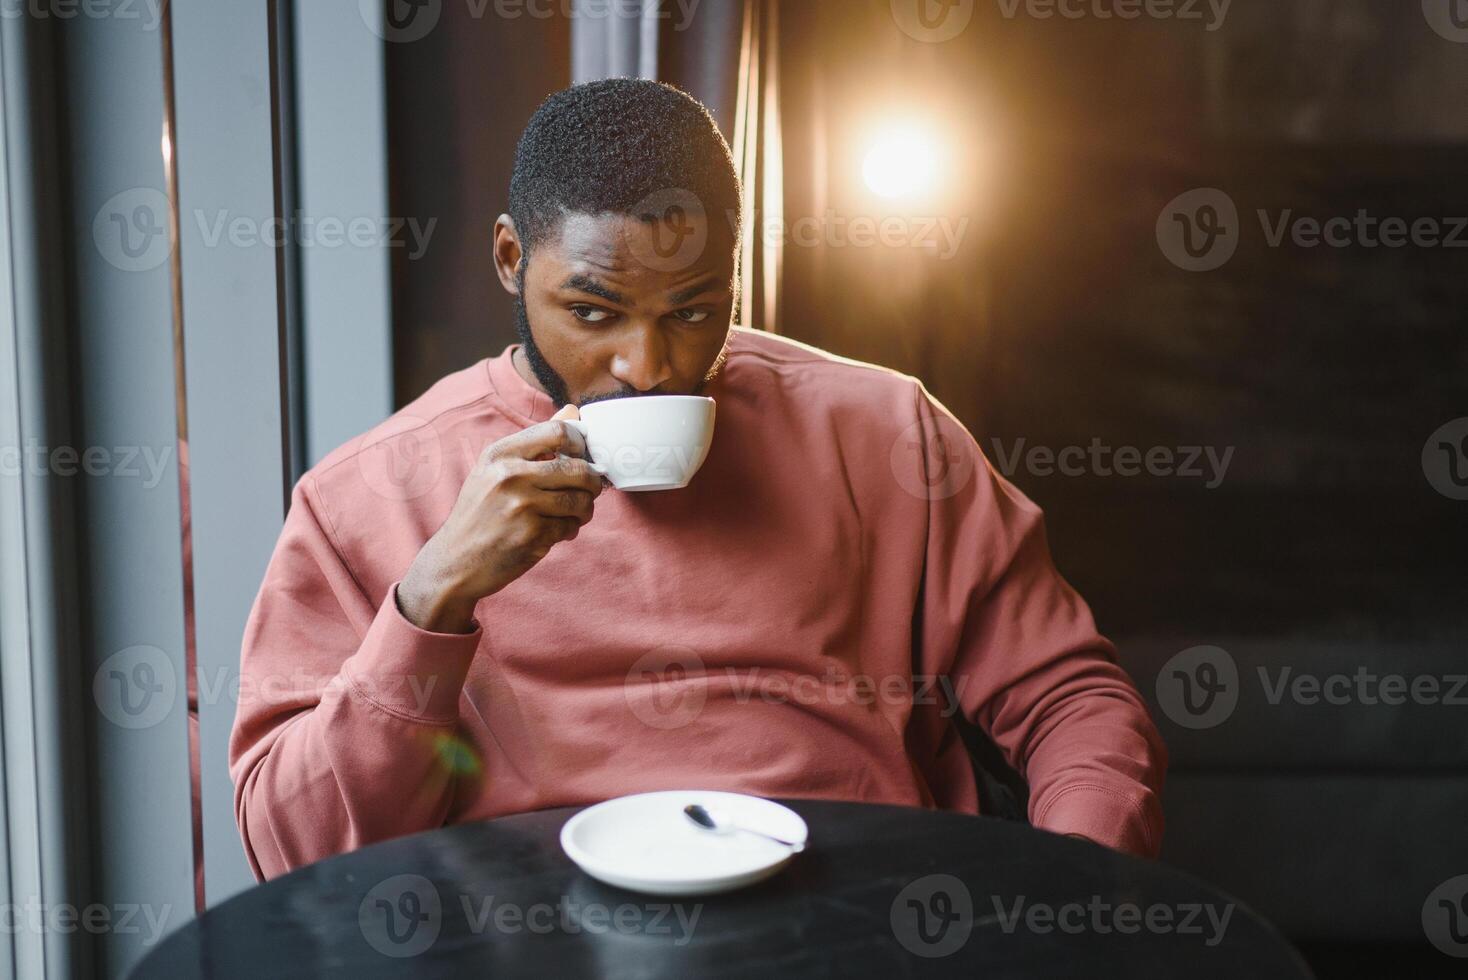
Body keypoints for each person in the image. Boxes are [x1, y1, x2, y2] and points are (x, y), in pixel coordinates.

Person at [230, 78, 1165, 880]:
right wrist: (432, 597)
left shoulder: (886, 435)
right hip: (530, 939)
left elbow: (1072, 703)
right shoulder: (368, 494)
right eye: (593, 312)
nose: (649, 363)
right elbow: (295, 852)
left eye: (694, 311)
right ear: (512, 259)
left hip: (862, 921)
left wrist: (1074, 896)